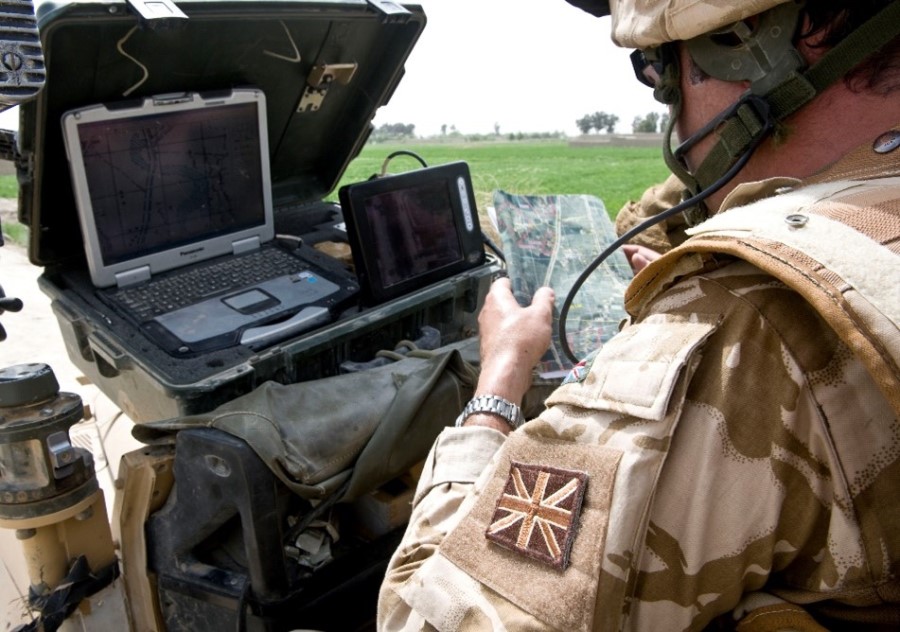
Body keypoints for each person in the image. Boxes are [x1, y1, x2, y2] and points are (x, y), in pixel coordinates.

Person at [378, 0, 900, 629]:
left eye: (659, 70)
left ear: (744, 46)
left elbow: (428, 620)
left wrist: (498, 383)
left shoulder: (745, 314)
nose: (674, 117)